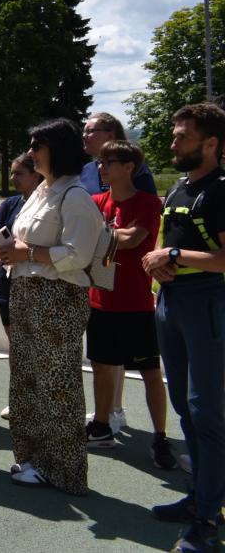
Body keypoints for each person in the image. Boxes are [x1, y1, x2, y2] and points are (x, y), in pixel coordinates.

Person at [0, 118, 103, 493]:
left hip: (57, 298)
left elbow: (78, 254)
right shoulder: (42, 192)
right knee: (26, 380)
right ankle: (34, 459)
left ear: (55, 150)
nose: (30, 153)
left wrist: (27, 252)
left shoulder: (74, 196)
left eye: (36, 146)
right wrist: (15, 251)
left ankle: (64, 471)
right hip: (28, 293)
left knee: (57, 385)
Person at [141, 103, 225, 553]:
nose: (173, 142)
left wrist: (172, 257)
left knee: (205, 409)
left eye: (183, 137)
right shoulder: (178, 188)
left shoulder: (219, 191)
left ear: (210, 144)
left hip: (206, 303)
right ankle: (199, 498)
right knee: (184, 407)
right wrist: (158, 262)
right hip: (171, 302)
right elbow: (165, 242)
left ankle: (208, 519)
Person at [85, 139, 176, 470]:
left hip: (137, 306)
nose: (101, 167)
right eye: (100, 161)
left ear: (129, 168)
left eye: (108, 162)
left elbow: (134, 238)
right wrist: (110, 236)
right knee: (101, 366)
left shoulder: (148, 203)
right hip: (99, 302)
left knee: (151, 373)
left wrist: (98, 237)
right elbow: (104, 238)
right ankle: (101, 427)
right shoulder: (96, 201)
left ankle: (160, 438)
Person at [0, 152, 43, 419]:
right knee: (16, 345)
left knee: (36, 345)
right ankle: (20, 399)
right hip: (7, 281)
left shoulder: (46, 205)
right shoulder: (10, 203)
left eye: (18, 173)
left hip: (34, 283)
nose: (12, 178)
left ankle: (40, 401)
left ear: (36, 175)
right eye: (11, 172)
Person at [79, 112, 158, 197]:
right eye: (84, 132)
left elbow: (147, 202)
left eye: (90, 131)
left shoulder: (133, 167)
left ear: (110, 135)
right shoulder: (87, 169)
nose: (83, 136)